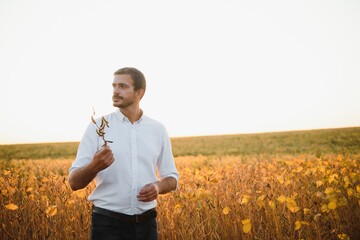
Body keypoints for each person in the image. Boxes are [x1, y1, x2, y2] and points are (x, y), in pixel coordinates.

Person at [68, 67, 179, 240]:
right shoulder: (97, 127)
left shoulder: (158, 130)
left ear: (139, 93)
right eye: (114, 86)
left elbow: (172, 179)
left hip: (147, 224)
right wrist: (94, 166)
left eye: (122, 86)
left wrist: (158, 187)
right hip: (107, 225)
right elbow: (74, 183)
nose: (115, 91)